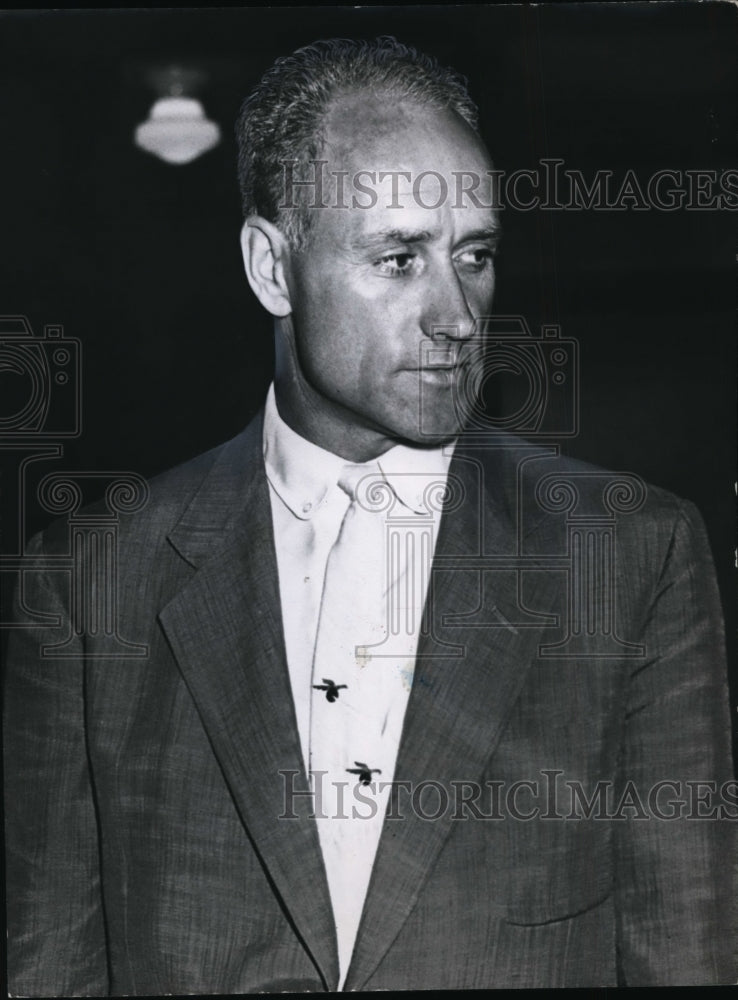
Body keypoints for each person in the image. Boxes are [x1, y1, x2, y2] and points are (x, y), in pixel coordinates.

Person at [4, 36, 735, 994]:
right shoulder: (87, 585)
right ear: (272, 268)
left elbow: (688, 954)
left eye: (473, 256)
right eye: (398, 258)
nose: (459, 315)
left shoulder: (633, 559)